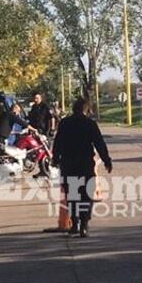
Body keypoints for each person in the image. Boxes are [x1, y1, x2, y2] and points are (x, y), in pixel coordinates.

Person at [52, 98, 112, 238]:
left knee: (72, 195)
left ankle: (74, 224)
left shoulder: (65, 123)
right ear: (86, 109)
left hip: (68, 164)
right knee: (86, 195)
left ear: (73, 109)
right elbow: (99, 143)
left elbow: (58, 142)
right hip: (85, 164)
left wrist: (55, 159)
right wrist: (107, 160)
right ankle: (84, 224)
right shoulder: (89, 124)